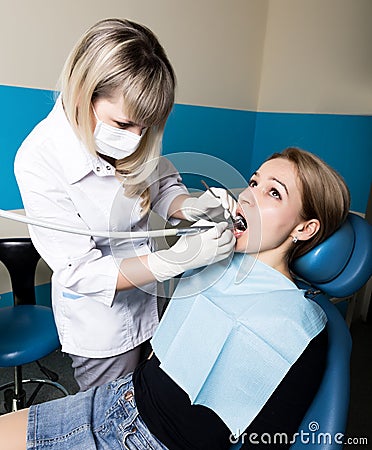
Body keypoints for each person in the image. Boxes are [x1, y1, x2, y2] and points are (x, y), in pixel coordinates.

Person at [1, 147, 350, 450]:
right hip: (121, 395)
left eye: (274, 193)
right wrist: (187, 242)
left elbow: (268, 439)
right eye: (254, 182)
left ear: (304, 228)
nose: (247, 196)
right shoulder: (213, 259)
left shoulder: (300, 325)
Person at [13, 18, 236, 391]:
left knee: (150, 397)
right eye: (125, 123)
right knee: (108, 416)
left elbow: (160, 186)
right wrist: (177, 260)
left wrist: (190, 204)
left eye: (145, 128)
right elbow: (80, 271)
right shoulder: (40, 158)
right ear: (85, 93)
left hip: (151, 303)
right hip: (101, 325)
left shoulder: (133, 139)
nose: (135, 139)